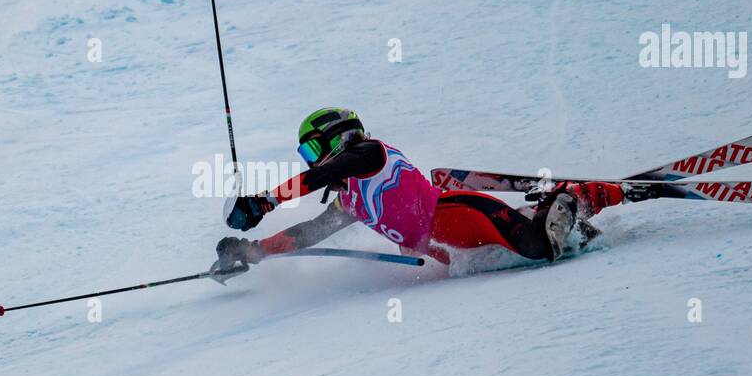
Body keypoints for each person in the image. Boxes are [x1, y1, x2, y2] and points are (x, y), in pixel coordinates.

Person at [215, 108, 625, 272]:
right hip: (443, 244)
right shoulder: (351, 198)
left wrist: (265, 201)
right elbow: (309, 233)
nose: (311, 162)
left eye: (312, 150)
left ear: (337, 139)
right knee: (545, 249)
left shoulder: (368, 154)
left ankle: (584, 195)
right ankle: (556, 219)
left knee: (538, 247)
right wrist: (254, 251)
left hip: (458, 214)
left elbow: (323, 174)